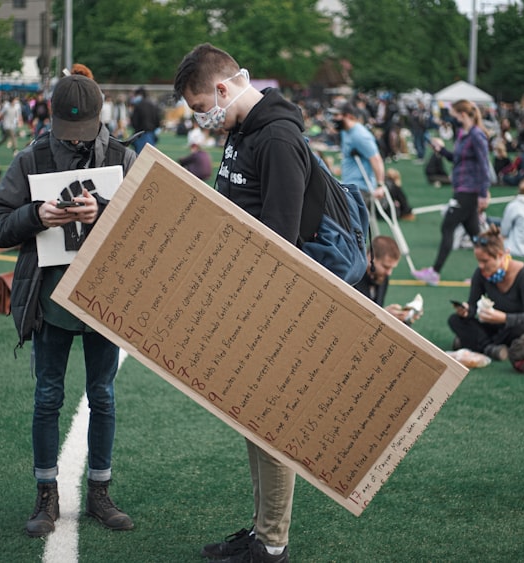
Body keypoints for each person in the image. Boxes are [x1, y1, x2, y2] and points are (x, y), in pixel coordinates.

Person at [0, 72, 138, 538]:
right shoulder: (31, 157)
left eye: (83, 134)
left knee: (104, 396)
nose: (74, 142)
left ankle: (100, 491)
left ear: (100, 119)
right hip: (47, 301)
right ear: (49, 119)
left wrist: (104, 210)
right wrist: (35, 215)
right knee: (47, 396)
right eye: (66, 134)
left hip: (105, 301)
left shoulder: (122, 157)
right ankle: (45, 494)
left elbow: (150, 227)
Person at [174, 42, 311, 563]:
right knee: (252, 418)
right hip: (244, 295)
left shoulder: (276, 137)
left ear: (225, 89)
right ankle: (260, 531)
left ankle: (273, 543)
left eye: (201, 107)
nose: (202, 121)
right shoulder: (242, 131)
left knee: (273, 421)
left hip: (273, 301)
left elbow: (283, 240)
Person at [412, 99, 491, 287]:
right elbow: (458, 159)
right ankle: (491, 270)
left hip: (468, 191)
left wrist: (483, 193)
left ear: (462, 115)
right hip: (463, 188)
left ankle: (435, 272)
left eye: (453, 115)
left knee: (448, 226)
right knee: (475, 235)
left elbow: (484, 166)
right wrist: (442, 151)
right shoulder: (464, 134)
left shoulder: (477, 136)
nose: (451, 119)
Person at [448, 224, 524, 360]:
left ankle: (477, 344)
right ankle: (490, 348)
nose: (481, 266)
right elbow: (473, 306)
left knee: (520, 330)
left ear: (500, 255)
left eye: (485, 261)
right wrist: (467, 311)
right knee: (455, 320)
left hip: (520, 327)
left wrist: (504, 318)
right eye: (478, 261)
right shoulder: (481, 274)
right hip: (497, 326)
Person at [354, 236, 421, 324]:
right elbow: (352, 317)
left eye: (392, 268)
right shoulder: (353, 278)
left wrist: (404, 317)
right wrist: (384, 315)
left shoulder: (381, 277)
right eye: (386, 267)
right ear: (370, 257)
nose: (389, 273)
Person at [333, 103, 386, 206]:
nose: (334, 119)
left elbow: (376, 159)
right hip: (348, 183)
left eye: (336, 115)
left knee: (354, 220)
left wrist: (380, 185)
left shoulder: (360, 135)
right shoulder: (345, 131)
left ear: (347, 115)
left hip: (360, 188)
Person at [129, 86, 161, 153]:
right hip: (151, 133)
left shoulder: (138, 105)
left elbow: (134, 121)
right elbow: (157, 119)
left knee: (140, 155)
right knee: (149, 154)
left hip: (140, 134)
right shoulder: (152, 104)